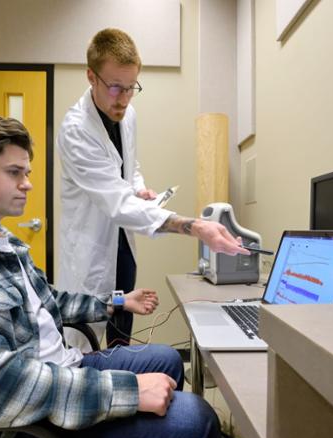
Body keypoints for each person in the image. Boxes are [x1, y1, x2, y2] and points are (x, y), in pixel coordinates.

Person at [0, 113, 220, 438]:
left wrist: (118, 301)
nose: (27, 183)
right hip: (15, 429)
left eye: (26, 173)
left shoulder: (1, 240)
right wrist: (127, 393)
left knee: (166, 360)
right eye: (14, 173)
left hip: (54, 372)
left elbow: (51, 301)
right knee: (197, 419)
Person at [57, 28, 248, 348]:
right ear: (91, 76)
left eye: (132, 87)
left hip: (123, 242)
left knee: (121, 329)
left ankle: (125, 387)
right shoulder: (75, 130)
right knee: (83, 345)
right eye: (116, 87)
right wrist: (196, 226)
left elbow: (129, 169)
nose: (125, 98)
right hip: (89, 249)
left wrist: (140, 190)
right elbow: (115, 201)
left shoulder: (127, 114)